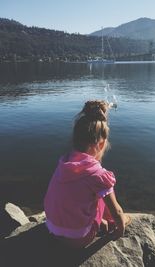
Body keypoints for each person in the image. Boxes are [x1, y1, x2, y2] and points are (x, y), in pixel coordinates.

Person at [44, 100, 131, 248]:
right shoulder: (97, 175)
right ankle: (105, 223)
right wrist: (121, 226)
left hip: (52, 229)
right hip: (78, 239)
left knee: (88, 191)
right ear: (102, 144)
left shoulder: (64, 163)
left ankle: (98, 221)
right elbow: (116, 211)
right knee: (105, 197)